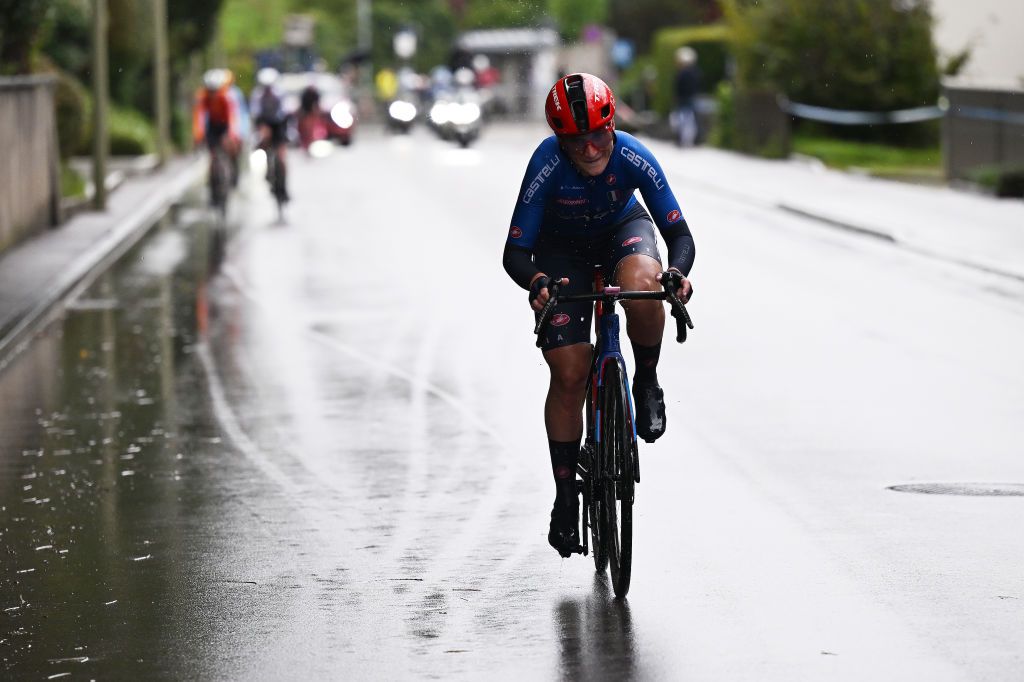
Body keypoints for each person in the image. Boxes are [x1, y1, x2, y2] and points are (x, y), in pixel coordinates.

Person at [502, 73, 695, 558]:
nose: (588, 150)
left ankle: (646, 380)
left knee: (644, 286)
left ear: (612, 126)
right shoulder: (545, 165)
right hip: (561, 249)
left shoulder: (634, 156)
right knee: (569, 373)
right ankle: (567, 499)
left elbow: (680, 236)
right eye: (574, 141)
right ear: (558, 140)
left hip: (621, 231)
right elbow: (516, 252)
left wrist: (676, 273)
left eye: (596, 136)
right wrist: (537, 282)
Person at [192, 69, 240, 197]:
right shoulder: (202, 96)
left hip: (225, 125)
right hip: (213, 126)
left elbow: (232, 117)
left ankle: (234, 172)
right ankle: (212, 185)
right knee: (213, 156)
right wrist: (198, 134)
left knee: (230, 147)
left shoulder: (227, 97)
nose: (213, 94)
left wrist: (231, 134)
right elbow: (199, 117)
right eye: (210, 90)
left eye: (215, 90)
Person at [249, 67, 290, 201]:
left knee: (282, 158)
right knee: (261, 147)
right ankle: (267, 172)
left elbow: (285, 111)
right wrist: (262, 128)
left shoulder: (280, 94)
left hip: (279, 125)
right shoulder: (257, 95)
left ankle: (283, 187)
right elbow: (255, 113)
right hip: (264, 124)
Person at [672, 46, 701, 147]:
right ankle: (689, 140)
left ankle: (683, 140)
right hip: (691, 98)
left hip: (683, 99)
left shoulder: (681, 73)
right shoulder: (695, 72)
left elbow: (677, 87)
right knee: (690, 120)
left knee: (683, 120)